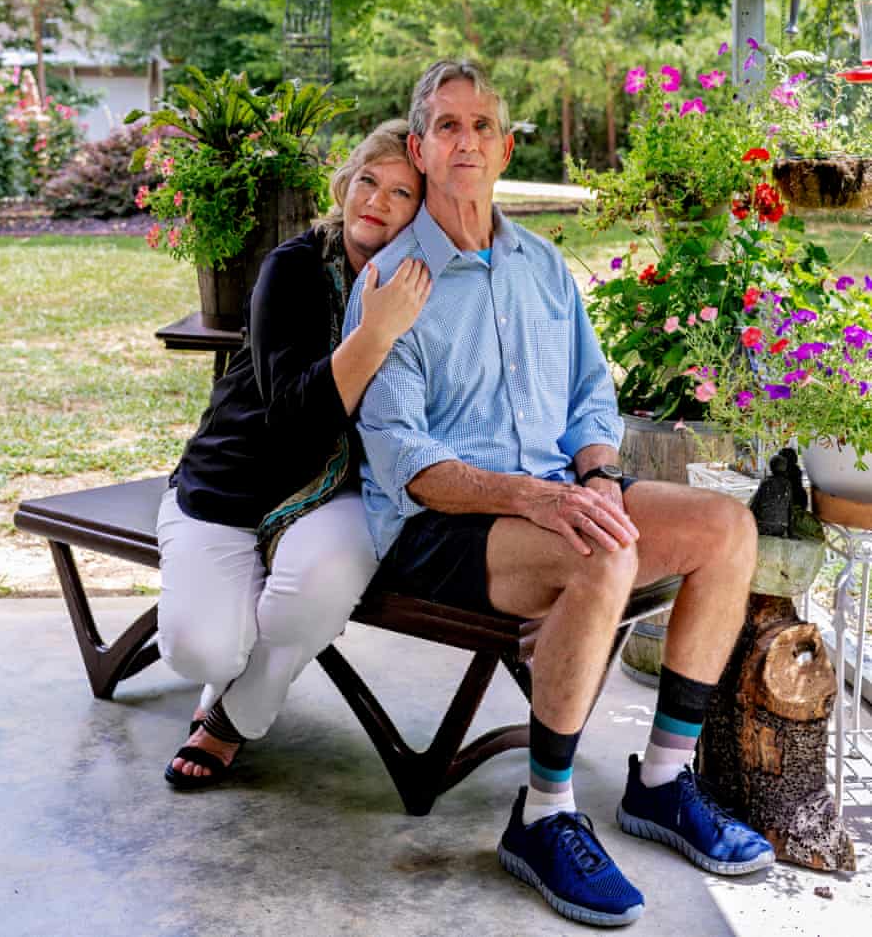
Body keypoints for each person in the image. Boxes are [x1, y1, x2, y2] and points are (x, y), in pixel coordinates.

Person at [342, 62, 774, 927]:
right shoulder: (389, 283)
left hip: (553, 499)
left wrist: (597, 473)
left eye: (482, 126)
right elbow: (407, 460)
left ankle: (658, 781)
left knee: (726, 525)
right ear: (421, 150)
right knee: (602, 549)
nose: (466, 141)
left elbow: (589, 398)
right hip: (441, 525)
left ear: (504, 148)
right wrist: (539, 502)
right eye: (447, 126)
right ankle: (542, 814)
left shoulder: (542, 266)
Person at [157, 120, 430, 789]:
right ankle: (233, 648)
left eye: (402, 193)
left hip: (339, 490)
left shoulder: (428, 283)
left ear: (425, 212)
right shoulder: (294, 266)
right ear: (346, 182)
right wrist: (377, 331)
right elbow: (294, 416)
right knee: (203, 648)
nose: (377, 202)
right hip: (235, 483)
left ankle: (229, 721)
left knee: (312, 594)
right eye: (369, 180)